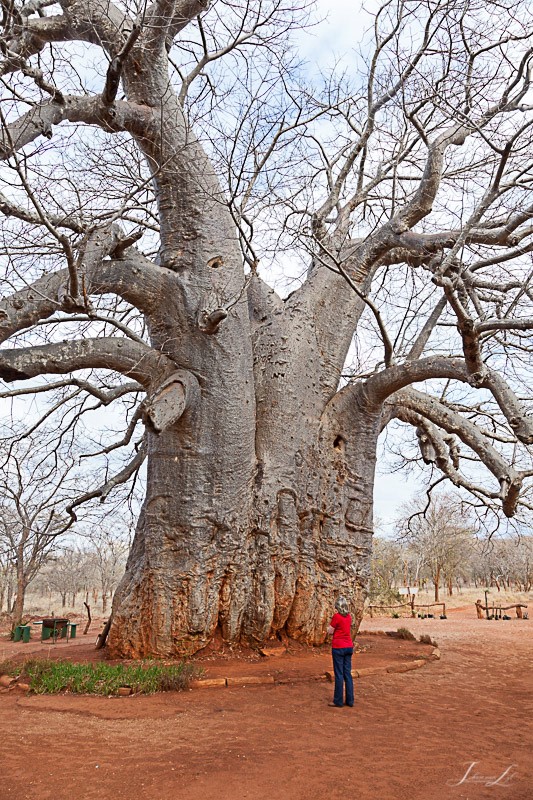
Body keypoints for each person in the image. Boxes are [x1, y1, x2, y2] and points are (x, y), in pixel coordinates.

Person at [327, 595, 354, 708]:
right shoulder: (349, 617)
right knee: (347, 674)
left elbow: (330, 631)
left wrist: (327, 628)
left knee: (339, 674)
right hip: (349, 646)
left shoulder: (336, 617)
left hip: (338, 647)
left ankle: (338, 701)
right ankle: (350, 700)